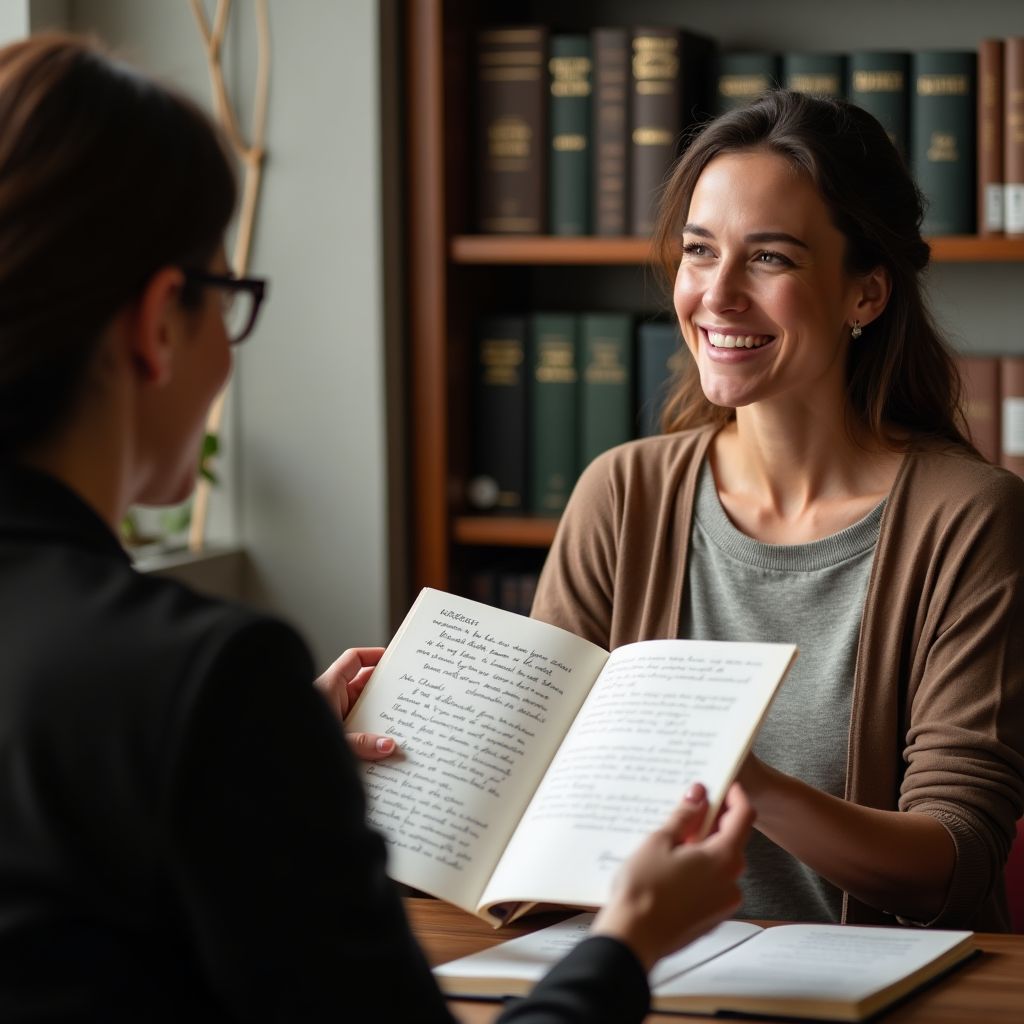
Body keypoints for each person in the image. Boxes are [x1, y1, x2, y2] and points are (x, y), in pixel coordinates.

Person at [0, 33, 755, 1022]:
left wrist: (266, 761)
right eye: (227, 298)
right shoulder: (202, 680)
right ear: (156, 325)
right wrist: (627, 940)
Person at [532, 89, 1024, 932]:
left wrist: (742, 775)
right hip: (637, 979)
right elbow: (534, 797)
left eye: (771, 259)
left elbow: (952, 858)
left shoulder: (970, 517)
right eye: (699, 251)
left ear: (865, 295)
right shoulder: (620, 493)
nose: (716, 295)